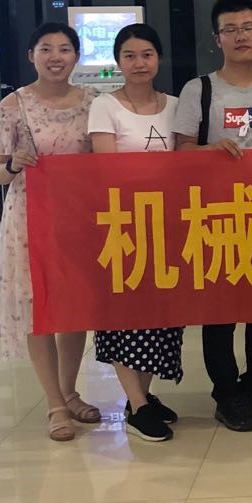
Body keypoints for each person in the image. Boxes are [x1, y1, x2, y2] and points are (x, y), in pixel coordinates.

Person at [173, 0, 252, 433]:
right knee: (221, 307)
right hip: (217, 213)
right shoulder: (199, 90)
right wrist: (211, 151)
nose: (240, 36)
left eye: (248, 27)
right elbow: (181, 151)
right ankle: (226, 393)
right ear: (217, 39)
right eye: (230, 29)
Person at [0, 23, 97, 442]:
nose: (55, 57)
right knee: (39, 308)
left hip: (78, 218)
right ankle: (54, 404)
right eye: (46, 48)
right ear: (31, 55)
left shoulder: (94, 102)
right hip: (30, 220)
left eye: (65, 49)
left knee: (73, 308)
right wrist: (14, 164)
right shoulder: (12, 106)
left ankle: (70, 391)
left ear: (76, 56)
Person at [88, 23, 186, 443]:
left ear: (159, 58)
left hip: (170, 224)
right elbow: (106, 169)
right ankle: (138, 407)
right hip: (124, 224)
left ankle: (141, 399)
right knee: (126, 316)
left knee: (161, 315)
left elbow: (188, 165)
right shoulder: (104, 106)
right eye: (129, 56)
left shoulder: (177, 105)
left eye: (147, 54)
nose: (139, 63)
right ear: (118, 62)